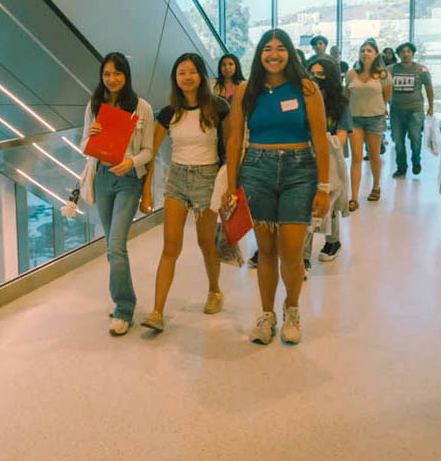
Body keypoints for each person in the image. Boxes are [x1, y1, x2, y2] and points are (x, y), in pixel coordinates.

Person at [223, 29, 330, 345]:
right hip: (256, 171)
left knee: (292, 251)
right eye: (267, 49)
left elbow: (320, 140)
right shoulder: (246, 91)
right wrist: (231, 187)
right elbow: (233, 139)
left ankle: (292, 310)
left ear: (290, 54)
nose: (273, 54)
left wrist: (323, 187)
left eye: (280, 48)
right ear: (259, 55)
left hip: (300, 171)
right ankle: (267, 314)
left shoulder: (307, 89)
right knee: (266, 251)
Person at [140, 53, 230, 332]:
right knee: (170, 247)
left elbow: (231, 149)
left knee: (206, 242)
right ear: (175, 79)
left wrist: (231, 187)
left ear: (201, 76)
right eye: (181, 73)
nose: (187, 77)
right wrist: (147, 191)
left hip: (208, 178)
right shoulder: (169, 113)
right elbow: (151, 154)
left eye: (192, 72)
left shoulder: (219, 108)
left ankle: (215, 290)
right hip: (177, 179)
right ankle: (157, 312)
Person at [80, 52, 155, 336]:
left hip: (128, 181)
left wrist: (132, 162)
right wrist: (93, 134)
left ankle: (124, 308)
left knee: (116, 245)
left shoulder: (142, 107)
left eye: (117, 74)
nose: (111, 79)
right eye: (107, 74)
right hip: (102, 178)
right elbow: (84, 143)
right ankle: (122, 301)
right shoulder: (95, 104)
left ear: (126, 76)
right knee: (112, 248)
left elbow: (148, 150)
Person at [304, 58, 350, 263]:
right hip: (304, 155)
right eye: (312, 73)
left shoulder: (340, 103)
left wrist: (324, 141)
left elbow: (342, 134)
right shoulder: (302, 99)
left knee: (329, 200)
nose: (316, 78)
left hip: (330, 156)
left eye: (321, 74)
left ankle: (333, 241)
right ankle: (303, 255)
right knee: (306, 203)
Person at [345, 39, 391, 210]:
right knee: (356, 157)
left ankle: (376, 186)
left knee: (374, 155)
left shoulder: (383, 74)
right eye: (363, 50)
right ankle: (354, 198)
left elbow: (387, 96)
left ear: (376, 54)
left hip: (375, 118)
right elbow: (346, 94)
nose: (365, 53)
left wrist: (380, 109)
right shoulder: (351, 74)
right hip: (355, 118)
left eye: (369, 50)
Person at [387, 42, 433, 177]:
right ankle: (401, 167)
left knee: (415, 138)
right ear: (399, 54)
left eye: (408, 51)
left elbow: (429, 88)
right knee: (398, 141)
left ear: (412, 53)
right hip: (396, 110)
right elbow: (384, 89)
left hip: (415, 110)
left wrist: (431, 107)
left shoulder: (421, 70)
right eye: (402, 52)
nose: (405, 54)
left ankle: (416, 161)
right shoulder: (391, 70)